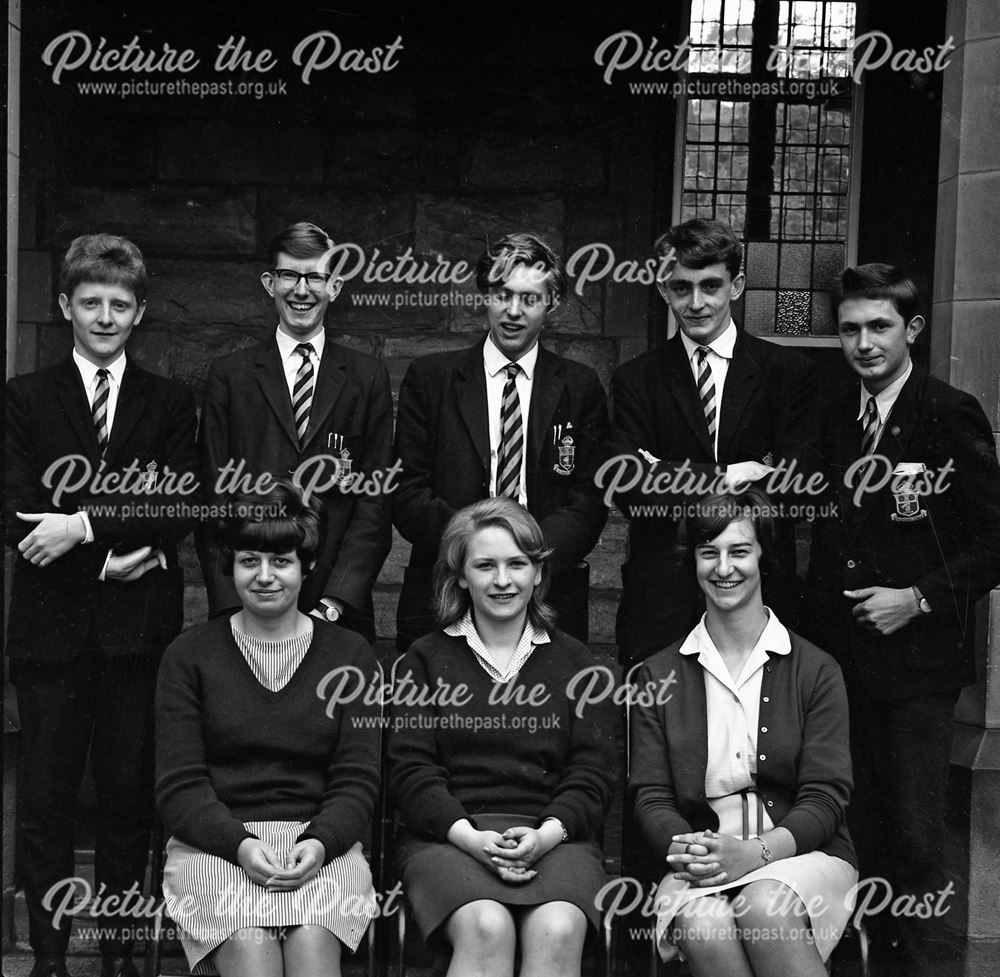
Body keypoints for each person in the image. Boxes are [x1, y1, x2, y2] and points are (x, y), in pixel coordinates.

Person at [4, 233, 198, 977]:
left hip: (136, 637)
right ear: (65, 306)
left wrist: (83, 525)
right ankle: (51, 957)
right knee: (48, 802)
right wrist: (117, 555)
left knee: (126, 797)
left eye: (120, 303)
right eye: (91, 302)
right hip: (51, 636)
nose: (105, 315)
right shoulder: (25, 398)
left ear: (140, 311)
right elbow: (19, 513)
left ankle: (118, 954)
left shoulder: (170, 402)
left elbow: (180, 498)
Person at [806, 264, 1000, 969]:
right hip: (841, 667)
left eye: (879, 325)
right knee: (852, 833)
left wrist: (916, 597)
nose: (864, 342)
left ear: (911, 328)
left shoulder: (949, 412)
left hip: (917, 668)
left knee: (916, 843)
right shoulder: (834, 414)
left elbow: (994, 537)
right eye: (850, 328)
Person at [156, 481, 381, 977]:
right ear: (229, 565)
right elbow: (180, 786)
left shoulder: (350, 656)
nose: (264, 577)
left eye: (281, 561)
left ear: (307, 567)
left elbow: (357, 780)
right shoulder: (190, 656)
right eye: (249, 560)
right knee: (252, 950)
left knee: (311, 949)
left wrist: (320, 843)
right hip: (215, 848)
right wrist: (239, 845)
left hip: (319, 846)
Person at [629, 489, 857, 975]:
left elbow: (826, 798)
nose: (723, 567)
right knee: (704, 921)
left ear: (763, 558)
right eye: (708, 552)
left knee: (763, 906)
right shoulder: (656, 676)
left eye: (739, 551)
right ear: (692, 561)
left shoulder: (815, 671)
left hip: (800, 857)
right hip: (702, 861)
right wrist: (695, 853)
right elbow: (651, 797)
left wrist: (755, 854)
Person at [387, 498, 618, 977]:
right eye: (485, 565)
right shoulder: (423, 660)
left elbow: (592, 774)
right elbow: (411, 773)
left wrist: (546, 834)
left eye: (518, 564)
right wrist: (471, 839)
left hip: (556, 839)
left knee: (557, 925)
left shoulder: (578, 665)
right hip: (450, 838)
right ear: (460, 576)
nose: (502, 580)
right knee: (487, 925)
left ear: (538, 573)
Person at [608, 218, 821, 664]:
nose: (697, 302)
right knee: (656, 729)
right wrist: (735, 473)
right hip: (661, 598)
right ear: (664, 290)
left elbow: (792, 484)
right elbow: (628, 487)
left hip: (760, 593)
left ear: (737, 285)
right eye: (681, 288)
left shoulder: (788, 373)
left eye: (711, 285)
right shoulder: (636, 379)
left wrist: (664, 473)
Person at [392, 232, 609, 650]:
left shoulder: (580, 387)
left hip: (549, 593)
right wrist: (477, 555)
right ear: (484, 296)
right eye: (501, 294)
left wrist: (525, 560)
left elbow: (588, 500)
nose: (512, 311)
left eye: (529, 298)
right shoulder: (430, 379)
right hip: (446, 590)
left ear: (553, 303)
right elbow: (407, 493)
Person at [198, 220, 394, 641]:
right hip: (250, 600)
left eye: (315, 277)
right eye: (289, 275)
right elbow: (214, 496)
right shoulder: (230, 377)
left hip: (334, 608)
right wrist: (234, 604)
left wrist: (337, 600)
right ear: (270, 282)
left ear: (335, 286)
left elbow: (374, 504)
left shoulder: (366, 376)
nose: (301, 290)